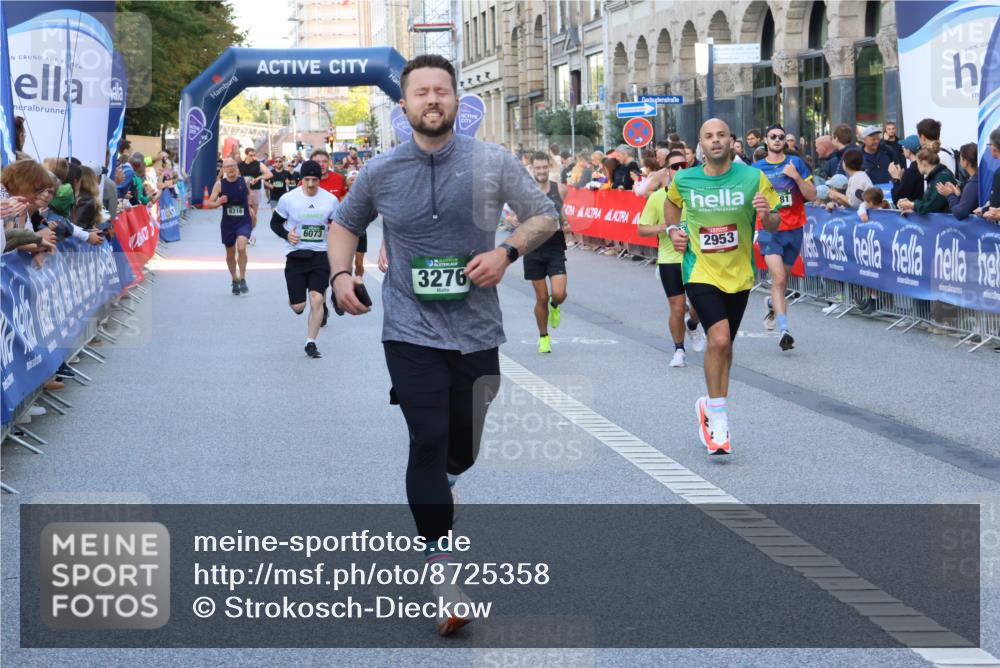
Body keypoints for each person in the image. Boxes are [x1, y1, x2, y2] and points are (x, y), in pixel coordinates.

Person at [327, 54, 559, 636]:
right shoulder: (379, 171)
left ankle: (446, 483)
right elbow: (344, 223)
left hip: (477, 330)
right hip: (408, 328)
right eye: (421, 92)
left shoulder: (491, 161)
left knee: (464, 448)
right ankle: (443, 573)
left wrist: (506, 251)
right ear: (403, 106)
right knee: (426, 441)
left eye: (442, 92)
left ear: (457, 102)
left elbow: (544, 215)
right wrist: (339, 276)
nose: (432, 100)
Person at [664, 118, 781, 455]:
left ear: (732, 141)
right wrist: (674, 230)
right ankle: (718, 420)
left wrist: (765, 212)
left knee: (725, 347)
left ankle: (709, 405)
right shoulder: (685, 179)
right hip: (700, 271)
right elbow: (671, 204)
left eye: (721, 136)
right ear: (700, 144)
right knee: (718, 338)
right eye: (708, 137)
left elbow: (773, 221)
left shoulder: (752, 177)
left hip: (739, 273)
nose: (715, 141)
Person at [752, 124, 816, 351]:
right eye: (773, 137)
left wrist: (797, 177)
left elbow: (812, 195)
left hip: (794, 228)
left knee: (782, 281)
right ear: (766, 141)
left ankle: (771, 303)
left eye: (781, 137)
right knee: (778, 278)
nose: (778, 140)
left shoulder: (795, 163)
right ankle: (784, 330)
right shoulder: (756, 169)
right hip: (769, 229)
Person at [638, 153, 705, 366]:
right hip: (670, 260)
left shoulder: (698, 194)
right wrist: (666, 226)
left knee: (700, 308)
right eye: (676, 166)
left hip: (697, 260)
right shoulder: (658, 197)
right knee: (676, 307)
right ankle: (679, 350)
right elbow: (642, 229)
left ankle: (693, 325)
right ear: (668, 171)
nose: (681, 169)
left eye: (685, 165)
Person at [269, 159, 338, 358]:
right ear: (301, 180)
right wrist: (286, 235)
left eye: (314, 180)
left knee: (316, 299)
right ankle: (314, 306)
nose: (310, 184)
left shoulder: (330, 200)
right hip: (296, 256)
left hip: (320, 255)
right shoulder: (289, 199)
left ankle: (311, 342)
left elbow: (338, 226)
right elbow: (275, 224)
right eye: (307, 179)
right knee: (298, 307)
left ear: (320, 179)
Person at [519, 152, 568, 353]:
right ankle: (544, 337)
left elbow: (562, 214)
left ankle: (555, 305)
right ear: (531, 168)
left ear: (549, 167)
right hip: (533, 249)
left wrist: (565, 223)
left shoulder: (560, 189)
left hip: (555, 246)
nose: (541, 171)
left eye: (544, 167)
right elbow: (516, 217)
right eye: (537, 168)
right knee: (540, 298)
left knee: (558, 293)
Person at [205, 157, 255, 295]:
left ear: (237, 167)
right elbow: (209, 203)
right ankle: (234, 279)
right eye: (227, 167)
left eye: (233, 165)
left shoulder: (244, 181)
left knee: (241, 246)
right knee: (230, 254)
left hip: (243, 221)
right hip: (228, 223)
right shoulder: (219, 185)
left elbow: (249, 194)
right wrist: (219, 202)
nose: (231, 169)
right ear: (224, 169)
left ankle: (243, 278)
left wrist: (250, 207)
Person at [896, 149, 956, 215]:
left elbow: (932, 206)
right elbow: (928, 203)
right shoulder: (935, 177)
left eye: (917, 163)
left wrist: (912, 204)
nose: (917, 166)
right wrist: (914, 209)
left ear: (924, 163)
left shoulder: (942, 178)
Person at [937, 143, 979, 221]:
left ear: (965, 162)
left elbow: (960, 213)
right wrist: (959, 196)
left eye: (960, 157)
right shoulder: (978, 179)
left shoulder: (972, 184)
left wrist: (950, 195)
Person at [888, 135, 925, 204]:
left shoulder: (911, 171)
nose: (903, 149)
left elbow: (897, 200)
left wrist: (896, 179)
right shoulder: (924, 166)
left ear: (908, 150)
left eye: (904, 147)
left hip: (914, 212)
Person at [238, 147, 272, 220]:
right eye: (251, 155)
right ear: (246, 155)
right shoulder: (240, 165)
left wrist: (258, 178)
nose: (253, 157)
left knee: (254, 213)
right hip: (243, 190)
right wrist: (243, 179)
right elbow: (236, 177)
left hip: (255, 190)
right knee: (243, 210)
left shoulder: (258, 164)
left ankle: (251, 227)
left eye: (254, 155)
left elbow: (269, 174)